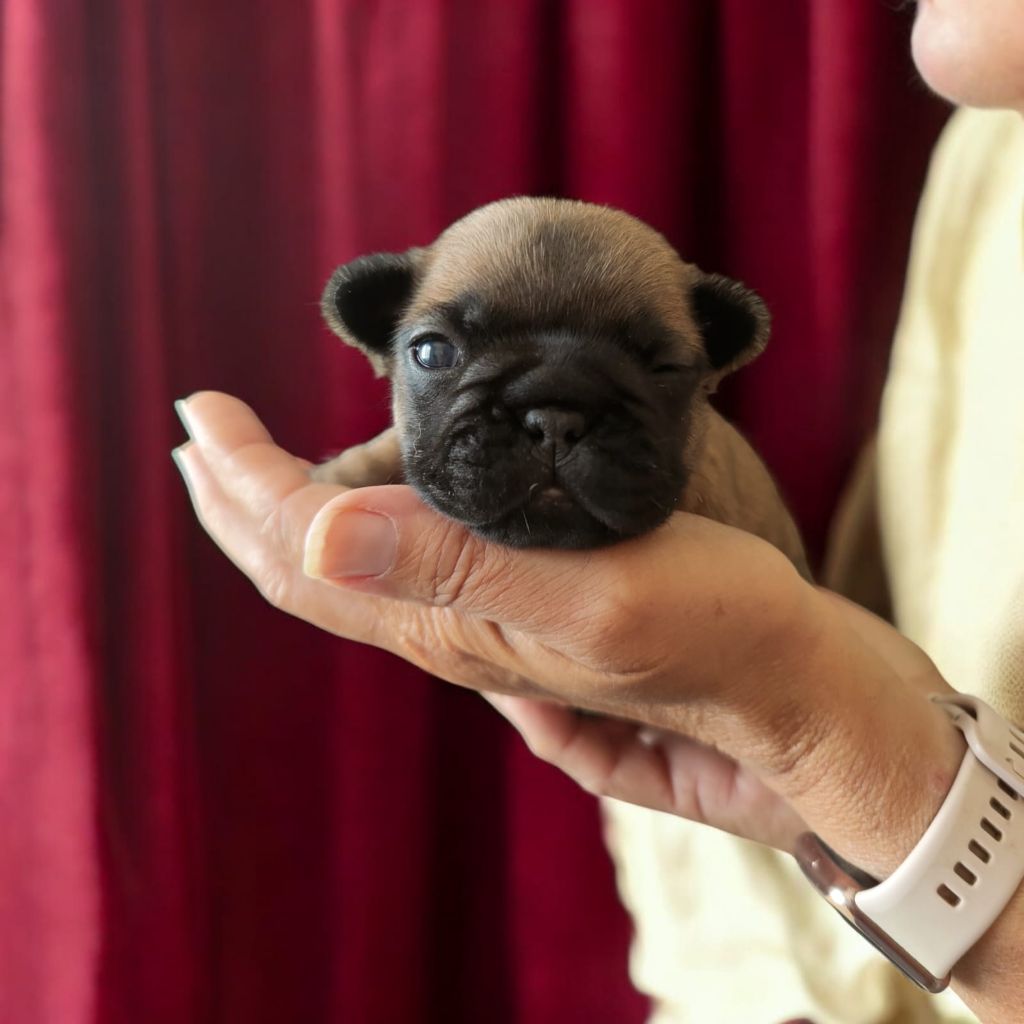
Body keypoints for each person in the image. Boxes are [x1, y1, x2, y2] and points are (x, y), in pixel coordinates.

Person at [172, 3, 1024, 1021]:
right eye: (442, 353)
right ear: (377, 328)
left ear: (713, 356)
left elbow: (812, 684)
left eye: (652, 366)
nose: (548, 425)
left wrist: (826, 732)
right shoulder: (987, 154)